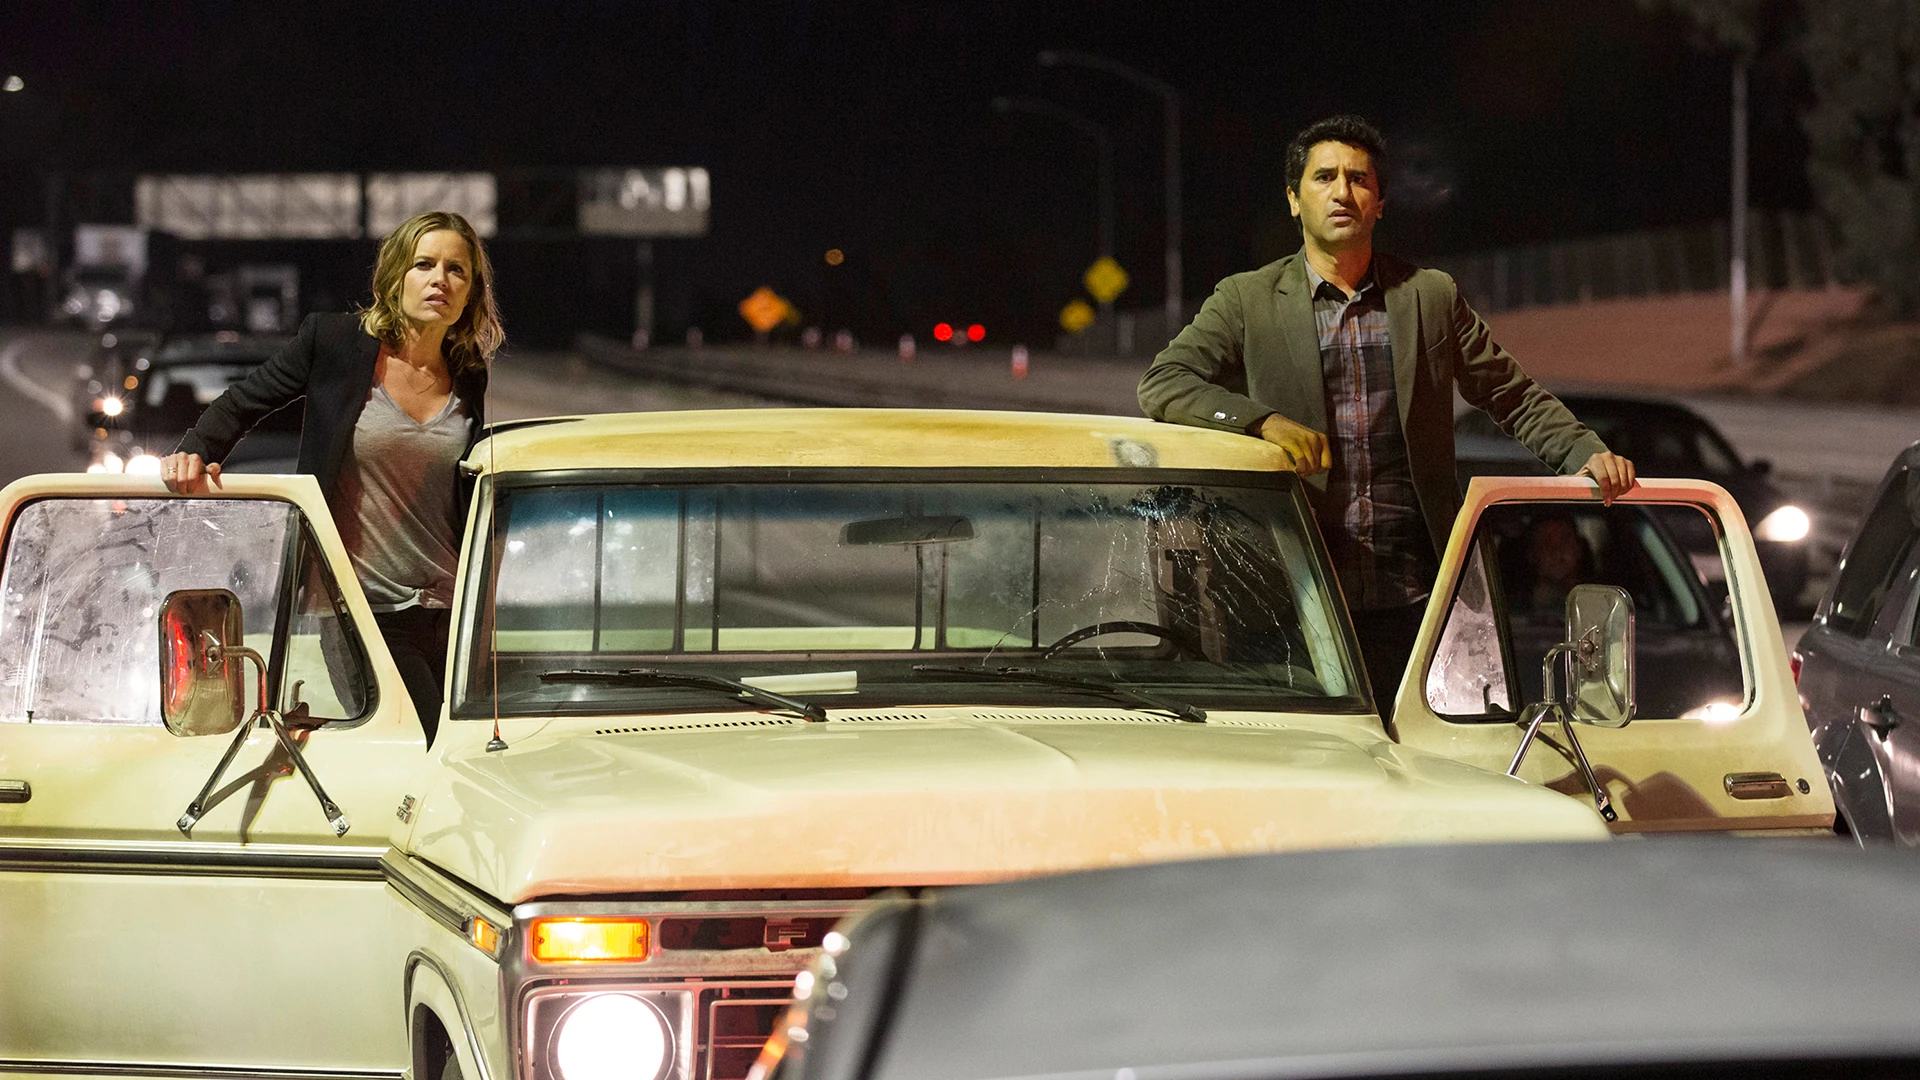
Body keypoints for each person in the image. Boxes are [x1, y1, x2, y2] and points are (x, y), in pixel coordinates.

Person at [1138, 115, 1635, 722]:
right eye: (1324, 178)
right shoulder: (1246, 299)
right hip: (1293, 600)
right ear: (1294, 199)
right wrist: (1262, 421)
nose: (1342, 192)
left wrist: (1585, 453)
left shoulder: (1428, 295)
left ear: (1380, 202)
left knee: (1428, 762)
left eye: (1358, 179)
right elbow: (1164, 383)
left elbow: (1511, 394)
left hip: (1419, 599)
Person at [160, 210, 502, 740]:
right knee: (422, 742)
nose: (440, 279)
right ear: (395, 276)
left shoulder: (468, 370)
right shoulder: (337, 342)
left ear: (470, 291)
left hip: (451, 607)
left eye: (456, 270)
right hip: (359, 608)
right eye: (424, 265)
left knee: (465, 751)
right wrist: (194, 451)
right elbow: (245, 401)